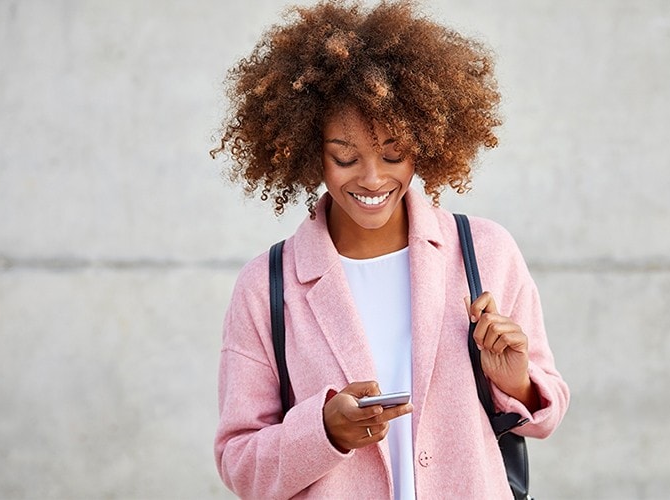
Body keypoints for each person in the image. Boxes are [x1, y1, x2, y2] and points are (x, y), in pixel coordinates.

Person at [211, 1, 569, 498]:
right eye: (344, 157)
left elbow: (546, 412)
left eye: (393, 153)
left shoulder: (485, 253)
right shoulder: (266, 285)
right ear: (309, 150)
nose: (373, 179)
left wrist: (518, 382)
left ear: (425, 142)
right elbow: (239, 462)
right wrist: (323, 433)